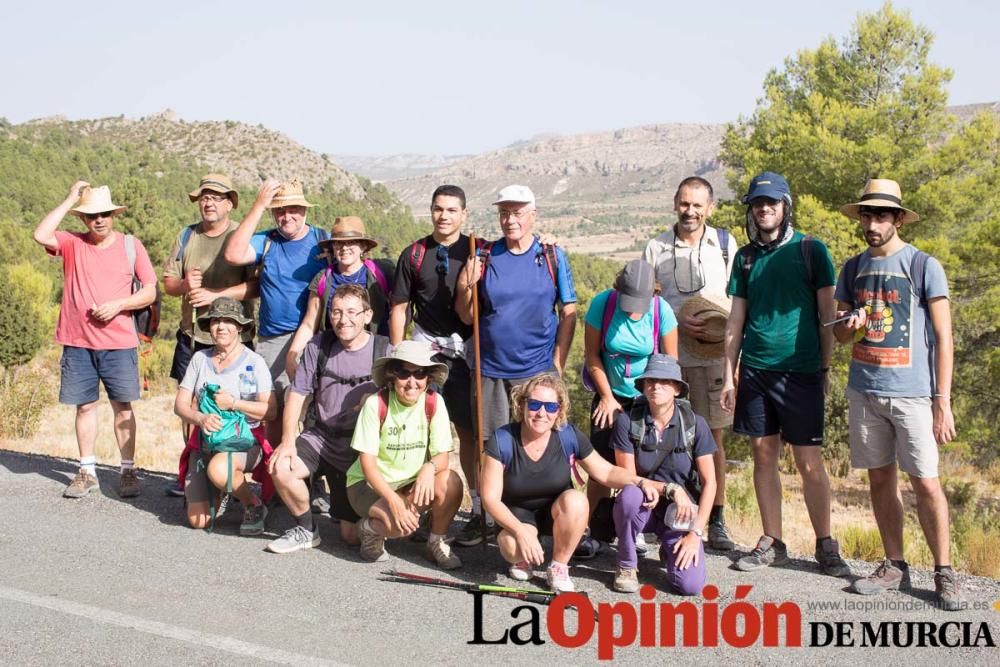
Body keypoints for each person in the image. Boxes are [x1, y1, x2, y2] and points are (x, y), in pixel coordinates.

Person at [832, 179, 964, 610]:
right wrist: (846, 328)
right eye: (867, 215)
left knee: (926, 483)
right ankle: (894, 564)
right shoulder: (852, 269)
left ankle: (944, 572)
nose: (872, 223)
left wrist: (941, 401)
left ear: (899, 219)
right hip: (864, 390)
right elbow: (838, 336)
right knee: (880, 479)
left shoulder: (924, 266)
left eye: (881, 216)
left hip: (913, 396)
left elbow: (944, 337)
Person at [721, 171, 850, 577]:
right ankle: (772, 540)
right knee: (763, 455)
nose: (763, 209)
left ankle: (825, 543)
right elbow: (735, 321)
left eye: (771, 203)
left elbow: (828, 316)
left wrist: (825, 368)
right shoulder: (744, 257)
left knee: (809, 461)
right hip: (756, 371)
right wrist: (730, 375)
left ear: (785, 206)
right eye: (757, 204)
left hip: (801, 372)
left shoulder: (812, 250)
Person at [480, 374, 660, 594]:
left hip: (558, 510)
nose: (541, 413)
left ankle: (558, 566)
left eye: (550, 407)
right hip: (517, 513)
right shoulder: (503, 439)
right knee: (513, 546)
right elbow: (490, 498)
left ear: (559, 410)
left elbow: (605, 471)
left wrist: (639, 481)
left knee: (577, 500)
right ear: (522, 404)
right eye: (534, 404)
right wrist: (519, 531)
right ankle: (522, 558)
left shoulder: (568, 435)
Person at [32, 182, 157, 499]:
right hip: (77, 341)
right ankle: (86, 470)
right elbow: (40, 234)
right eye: (90, 216)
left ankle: (127, 469)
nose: (98, 220)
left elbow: (150, 291)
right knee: (85, 407)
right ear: (83, 219)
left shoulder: (131, 245)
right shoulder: (72, 242)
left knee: (123, 409)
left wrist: (118, 305)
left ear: (113, 215)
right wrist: (70, 198)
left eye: (103, 214)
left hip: (119, 343)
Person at [644, 176, 738, 550]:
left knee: (712, 438)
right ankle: (660, 514)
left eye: (698, 205)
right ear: (674, 204)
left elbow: (739, 304)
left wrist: (737, 364)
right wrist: (676, 318)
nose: (690, 211)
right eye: (685, 203)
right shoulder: (655, 249)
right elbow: (646, 302)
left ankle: (716, 517)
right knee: (662, 435)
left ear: (710, 208)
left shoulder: (726, 246)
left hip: (715, 359)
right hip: (670, 360)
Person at [388, 185, 485, 545]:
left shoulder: (478, 252)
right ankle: (423, 505)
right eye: (438, 209)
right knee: (420, 427)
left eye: (451, 210)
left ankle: (478, 510)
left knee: (470, 432)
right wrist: (399, 354)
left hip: (466, 352)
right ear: (430, 211)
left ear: (464, 214)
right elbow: (400, 306)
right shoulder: (414, 254)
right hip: (424, 352)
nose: (443, 216)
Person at [456, 184, 578, 465]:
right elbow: (466, 316)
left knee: (541, 443)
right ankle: (489, 506)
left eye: (518, 213)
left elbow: (568, 312)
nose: (510, 220)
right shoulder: (485, 256)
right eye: (504, 213)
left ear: (533, 215)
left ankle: (539, 505)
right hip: (491, 372)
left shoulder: (552, 256)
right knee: (490, 446)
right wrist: (466, 284)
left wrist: (558, 362)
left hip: (537, 370)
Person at [266, 285, 389, 554]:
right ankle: (306, 529)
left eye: (351, 312)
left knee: (351, 537)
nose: (343, 319)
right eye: (336, 312)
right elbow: (297, 394)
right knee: (281, 467)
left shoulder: (383, 350)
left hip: (362, 450)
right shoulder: (318, 346)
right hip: (322, 437)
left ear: (367, 315)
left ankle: (368, 521)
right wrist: (287, 442)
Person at [162, 174, 257, 496]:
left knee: (234, 406)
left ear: (230, 202)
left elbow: (255, 286)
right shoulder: (187, 236)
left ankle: (229, 471)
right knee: (190, 409)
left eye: (216, 197)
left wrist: (215, 293)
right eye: (204, 197)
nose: (209, 202)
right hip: (192, 337)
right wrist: (186, 285)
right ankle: (195, 472)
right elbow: (169, 284)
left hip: (236, 341)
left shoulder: (241, 237)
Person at [581, 259, 678, 557]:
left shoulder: (662, 311)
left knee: (642, 467)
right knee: (600, 466)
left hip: (649, 398)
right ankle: (591, 530)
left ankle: (636, 526)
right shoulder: (603, 305)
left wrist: (660, 404)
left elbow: (671, 365)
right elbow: (592, 356)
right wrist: (607, 397)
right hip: (610, 394)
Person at [223, 179, 329, 449]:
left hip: (315, 337)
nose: (287, 216)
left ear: (305, 210)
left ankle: (309, 476)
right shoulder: (267, 241)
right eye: (280, 210)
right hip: (272, 339)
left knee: (313, 409)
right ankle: (272, 476)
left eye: (293, 209)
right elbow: (233, 255)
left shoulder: (322, 240)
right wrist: (258, 206)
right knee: (273, 409)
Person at [345, 341, 464, 570]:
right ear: (392, 376)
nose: (412, 382)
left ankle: (436, 540)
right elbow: (367, 464)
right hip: (369, 485)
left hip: (410, 482)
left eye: (419, 373)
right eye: (404, 373)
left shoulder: (434, 402)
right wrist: (393, 500)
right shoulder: (375, 404)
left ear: (428, 377)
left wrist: (429, 468)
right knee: (399, 527)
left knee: (451, 481)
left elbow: (442, 455)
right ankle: (369, 529)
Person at [611, 355, 716, 595]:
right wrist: (670, 489)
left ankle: (669, 548)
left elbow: (710, 482)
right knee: (628, 496)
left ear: (677, 389)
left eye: (664, 381)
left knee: (689, 587)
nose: (655, 386)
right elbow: (626, 477)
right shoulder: (627, 422)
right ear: (643, 386)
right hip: (643, 507)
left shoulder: (695, 425)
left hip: (680, 515)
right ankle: (626, 563)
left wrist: (696, 534)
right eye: (650, 381)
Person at [173, 297, 274, 534]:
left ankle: (253, 504)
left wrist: (234, 404)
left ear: (240, 327)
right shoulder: (200, 359)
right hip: (206, 441)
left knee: (220, 470)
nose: (221, 326)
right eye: (216, 320)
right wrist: (200, 418)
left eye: (229, 321)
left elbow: (270, 410)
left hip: (243, 440)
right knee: (199, 521)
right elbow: (180, 405)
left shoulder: (254, 362)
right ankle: (222, 489)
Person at [286, 215, 394, 381]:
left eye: (351, 242)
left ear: (363, 246)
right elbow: (309, 323)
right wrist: (292, 355)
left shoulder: (382, 272)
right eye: (339, 243)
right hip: (334, 356)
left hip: (376, 354)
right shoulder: (323, 279)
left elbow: (399, 310)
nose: (344, 248)